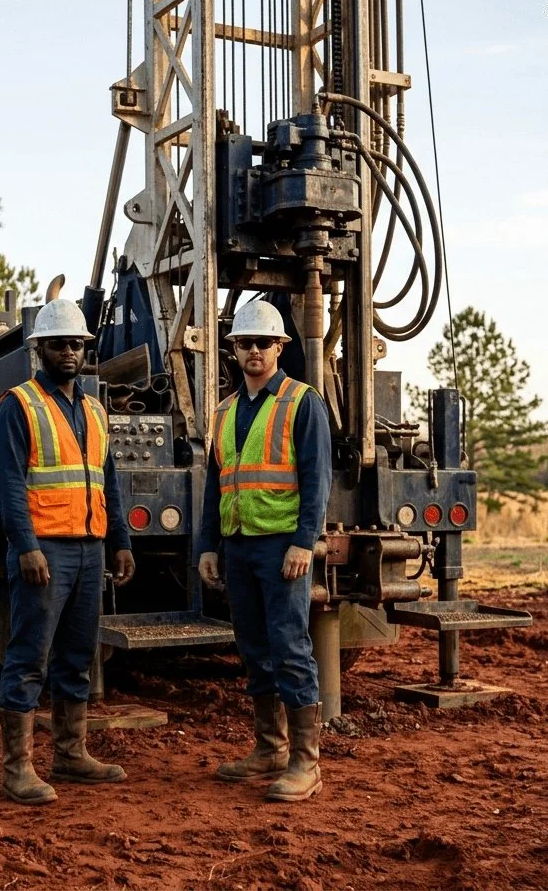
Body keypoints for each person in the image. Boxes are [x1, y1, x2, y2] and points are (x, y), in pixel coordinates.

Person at [0, 298, 136, 805]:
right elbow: (9, 484)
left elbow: (107, 480)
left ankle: (70, 755)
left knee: (78, 656)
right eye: (59, 344)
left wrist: (120, 539)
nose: (69, 352)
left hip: (90, 548)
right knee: (30, 655)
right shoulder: (19, 405)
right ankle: (18, 769)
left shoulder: (94, 410)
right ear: (40, 350)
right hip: (45, 551)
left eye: (76, 344)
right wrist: (26, 546)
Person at [198, 300, 333, 803]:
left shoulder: (302, 403)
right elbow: (215, 483)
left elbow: (317, 478)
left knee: (289, 647)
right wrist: (208, 545)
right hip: (238, 546)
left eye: (263, 343)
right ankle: (270, 748)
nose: (253, 351)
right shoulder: (225, 411)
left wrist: (304, 541)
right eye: (244, 343)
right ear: (233, 349)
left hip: (281, 548)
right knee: (254, 649)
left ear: (280, 347)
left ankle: (305, 762)